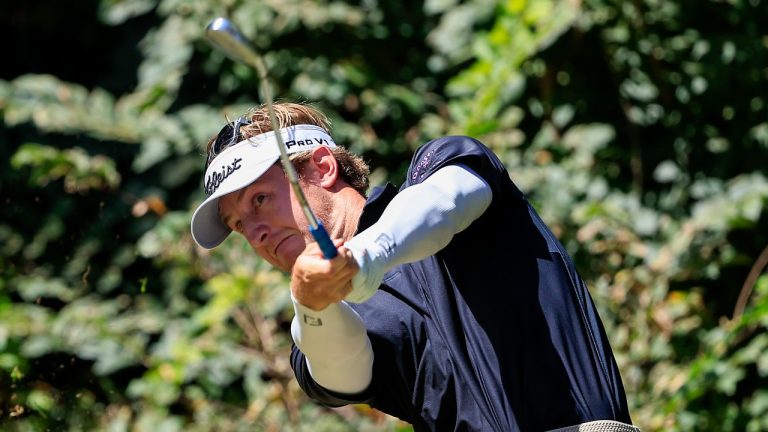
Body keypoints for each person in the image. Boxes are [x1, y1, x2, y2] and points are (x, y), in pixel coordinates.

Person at [190, 102, 637, 431]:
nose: (256, 233)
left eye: (260, 200)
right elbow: (340, 371)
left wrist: (360, 259)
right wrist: (314, 305)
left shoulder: (442, 171)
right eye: (238, 225)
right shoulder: (323, 324)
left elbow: (444, 203)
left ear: (323, 167)